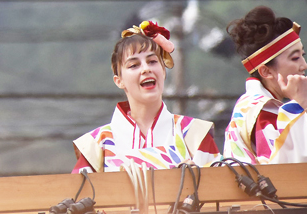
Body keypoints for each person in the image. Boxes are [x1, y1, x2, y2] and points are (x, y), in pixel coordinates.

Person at [72, 21, 220, 172]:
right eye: (134, 65)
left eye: (152, 61)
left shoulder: (194, 134)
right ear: (119, 81)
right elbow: (78, 194)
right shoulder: (97, 145)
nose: (146, 69)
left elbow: (222, 190)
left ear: (163, 71)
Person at [223, 6, 307, 163]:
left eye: (303, 55)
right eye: (295, 58)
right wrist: (300, 105)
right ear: (266, 72)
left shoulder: (257, 107)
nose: (304, 65)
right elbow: (289, 171)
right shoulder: (261, 111)